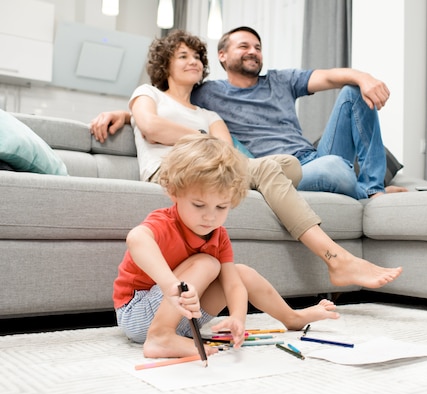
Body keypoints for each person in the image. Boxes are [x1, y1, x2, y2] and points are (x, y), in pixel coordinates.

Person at [91, 30, 402, 289]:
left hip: (261, 163)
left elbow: (226, 155)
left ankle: (372, 189)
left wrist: (363, 76)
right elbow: (152, 125)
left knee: (287, 163)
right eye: (182, 57)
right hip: (180, 169)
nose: (193, 62)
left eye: (197, 57)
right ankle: (339, 257)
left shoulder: (210, 112)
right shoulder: (153, 93)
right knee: (290, 167)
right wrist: (127, 115)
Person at [114, 134, 340, 359]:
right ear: (174, 192)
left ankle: (292, 318)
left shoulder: (218, 235)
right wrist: (171, 285)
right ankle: (160, 336)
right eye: (199, 205)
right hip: (138, 314)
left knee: (242, 273)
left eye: (221, 207)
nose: (210, 217)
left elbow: (234, 286)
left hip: (185, 317)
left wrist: (237, 319)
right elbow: (137, 238)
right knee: (208, 263)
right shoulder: (165, 221)